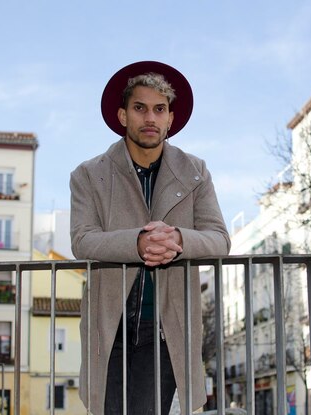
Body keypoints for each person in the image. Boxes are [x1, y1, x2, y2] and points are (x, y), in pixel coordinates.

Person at [70, 61, 231, 415]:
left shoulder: (195, 172)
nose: (150, 118)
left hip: (164, 328)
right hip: (107, 324)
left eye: (160, 109)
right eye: (140, 108)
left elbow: (219, 239)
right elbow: (82, 240)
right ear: (123, 115)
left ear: (171, 118)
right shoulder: (88, 174)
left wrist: (178, 239)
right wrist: (137, 242)